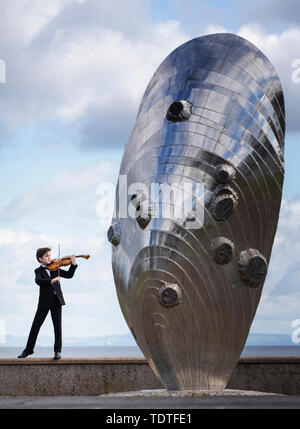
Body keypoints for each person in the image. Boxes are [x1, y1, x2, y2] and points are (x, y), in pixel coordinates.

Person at [18, 247, 78, 360]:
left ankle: (57, 352)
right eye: (46, 256)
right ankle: (28, 350)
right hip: (44, 302)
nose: (49, 257)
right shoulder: (38, 271)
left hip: (56, 301)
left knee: (57, 327)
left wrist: (73, 264)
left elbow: (69, 275)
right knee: (35, 326)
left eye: (50, 255)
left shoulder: (56, 268)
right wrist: (51, 281)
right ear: (40, 258)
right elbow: (38, 281)